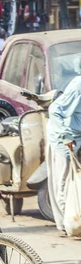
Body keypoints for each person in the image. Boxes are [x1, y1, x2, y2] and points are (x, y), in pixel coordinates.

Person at [47, 73, 81, 236]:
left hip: (78, 136)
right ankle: (67, 225)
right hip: (64, 137)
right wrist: (65, 136)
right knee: (64, 181)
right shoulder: (78, 86)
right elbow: (55, 109)